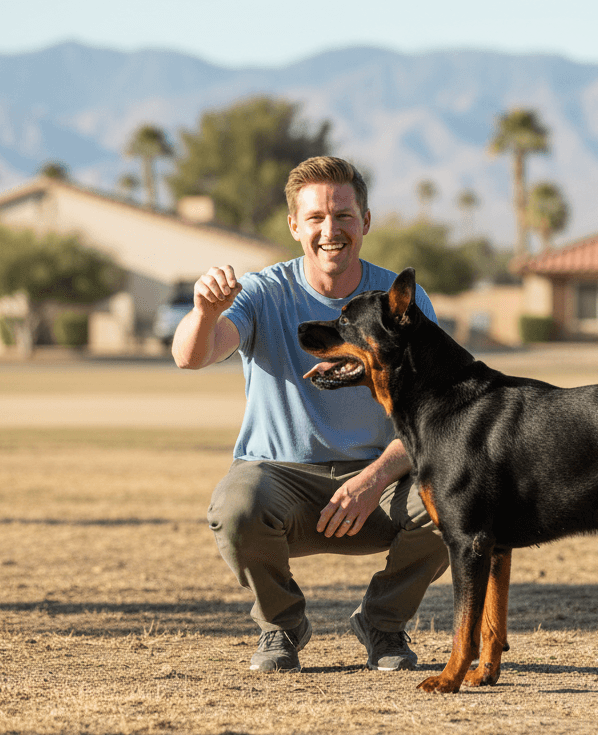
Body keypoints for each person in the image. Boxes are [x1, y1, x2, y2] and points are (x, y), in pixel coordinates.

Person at [173, 156, 450, 673]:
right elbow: (191, 355)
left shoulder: (401, 303)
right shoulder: (262, 294)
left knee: (454, 503)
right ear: (294, 225)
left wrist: (372, 479)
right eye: (317, 217)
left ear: (365, 221)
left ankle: (383, 624)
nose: (331, 230)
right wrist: (206, 311)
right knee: (236, 506)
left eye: (344, 215)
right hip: (281, 481)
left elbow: (435, 416)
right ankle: (282, 626)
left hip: (380, 486)